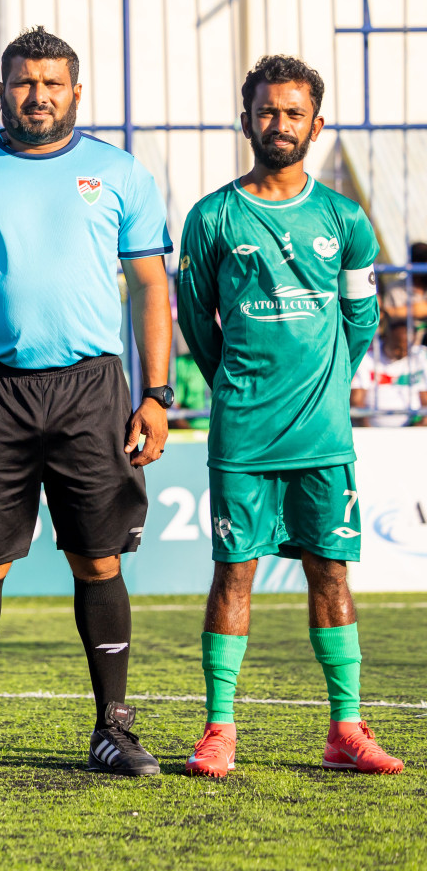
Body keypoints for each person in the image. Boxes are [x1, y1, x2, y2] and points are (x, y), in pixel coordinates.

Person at [0, 27, 172, 780]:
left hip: (93, 389)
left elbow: (152, 286)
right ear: (2, 90)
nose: (38, 95)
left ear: (76, 92)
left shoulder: (119, 172)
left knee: (98, 562)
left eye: (52, 83)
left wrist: (155, 394)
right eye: (24, 82)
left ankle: (112, 728)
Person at [179, 54, 403, 777]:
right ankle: (219, 728)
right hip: (243, 434)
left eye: (293, 112)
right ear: (246, 118)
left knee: (331, 575)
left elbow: (361, 318)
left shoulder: (346, 219)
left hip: (322, 436)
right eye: (267, 111)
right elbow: (196, 323)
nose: (280, 123)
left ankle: (346, 728)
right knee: (234, 574)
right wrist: (236, 385)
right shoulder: (212, 216)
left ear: (317, 123)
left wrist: (328, 382)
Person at [351, 318, 427, 427]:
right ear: (386, 338)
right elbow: (356, 403)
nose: (402, 353)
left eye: (407, 348)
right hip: (372, 430)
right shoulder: (366, 357)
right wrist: (370, 433)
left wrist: (414, 430)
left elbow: (425, 401)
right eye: (397, 348)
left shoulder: (420, 356)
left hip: (412, 428)